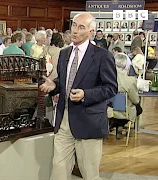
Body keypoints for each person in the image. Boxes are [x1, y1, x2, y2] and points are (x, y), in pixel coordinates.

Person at [40, 12, 117, 180]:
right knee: (58, 170)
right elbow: (65, 82)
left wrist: (85, 95)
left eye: (81, 27)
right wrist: (55, 87)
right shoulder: (64, 53)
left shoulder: (103, 56)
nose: (75, 30)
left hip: (88, 122)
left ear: (91, 32)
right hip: (64, 120)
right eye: (74, 25)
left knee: (89, 173)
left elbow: (111, 88)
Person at [110, 54, 140, 139]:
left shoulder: (107, 78)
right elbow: (135, 100)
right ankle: (127, 127)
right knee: (137, 107)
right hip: (125, 112)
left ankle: (118, 125)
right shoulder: (130, 81)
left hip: (110, 111)